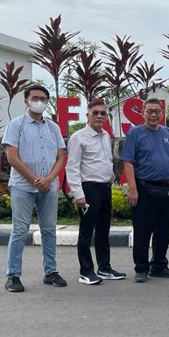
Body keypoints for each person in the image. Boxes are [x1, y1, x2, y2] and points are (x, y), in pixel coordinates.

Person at [2, 85, 67, 292]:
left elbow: (60, 157)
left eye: (43, 99)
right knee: (20, 230)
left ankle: (51, 272)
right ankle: (13, 275)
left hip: (49, 186)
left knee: (49, 230)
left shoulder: (53, 127)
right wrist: (35, 179)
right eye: (35, 98)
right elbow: (12, 158)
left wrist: (49, 179)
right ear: (26, 101)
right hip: (23, 186)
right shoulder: (16, 125)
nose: (39, 102)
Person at [121, 98, 169, 283]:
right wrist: (133, 189)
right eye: (149, 111)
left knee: (164, 230)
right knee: (142, 230)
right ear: (142, 113)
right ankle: (141, 268)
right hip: (144, 188)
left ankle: (159, 265)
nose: (153, 114)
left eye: (157, 111)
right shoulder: (134, 133)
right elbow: (127, 162)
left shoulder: (168, 132)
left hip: (167, 188)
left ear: (162, 113)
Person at [66, 99, 127, 285]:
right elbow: (72, 167)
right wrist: (78, 194)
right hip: (88, 189)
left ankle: (104, 268)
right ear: (88, 115)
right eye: (96, 113)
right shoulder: (78, 137)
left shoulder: (105, 136)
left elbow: (106, 161)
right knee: (86, 232)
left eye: (103, 113)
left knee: (103, 230)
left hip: (105, 188)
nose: (100, 116)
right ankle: (86, 271)